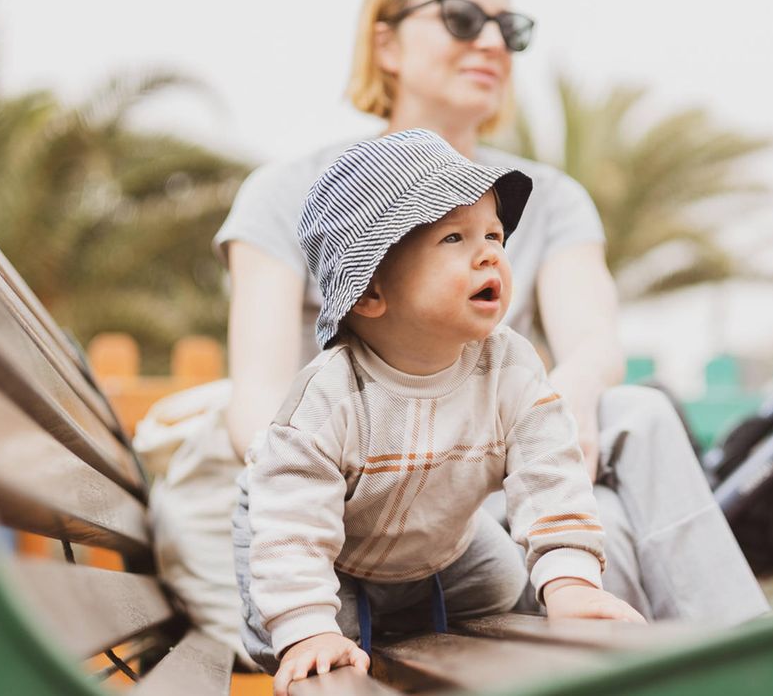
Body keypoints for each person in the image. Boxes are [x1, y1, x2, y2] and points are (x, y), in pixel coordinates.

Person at [143, 0, 766, 665]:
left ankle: (750, 662)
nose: (493, 42)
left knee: (638, 420)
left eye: (511, 27)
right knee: (611, 536)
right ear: (387, 42)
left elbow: (594, 347)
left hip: (501, 477)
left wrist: (556, 413)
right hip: (360, 488)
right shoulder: (296, 196)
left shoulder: (553, 200)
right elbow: (257, 398)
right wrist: (359, 499)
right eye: (463, 18)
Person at [237, 130, 645, 692]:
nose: (490, 253)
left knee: (508, 596)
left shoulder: (509, 367)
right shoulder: (330, 395)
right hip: (322, 549)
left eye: (495, 235)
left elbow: (550, 474)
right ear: (369, 291)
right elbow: (293, 527)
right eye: (454, 236)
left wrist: (572, 583)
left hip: (439, 544)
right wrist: (306, 628)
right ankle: (318, 628)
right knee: (327, 651)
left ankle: (435, 628)